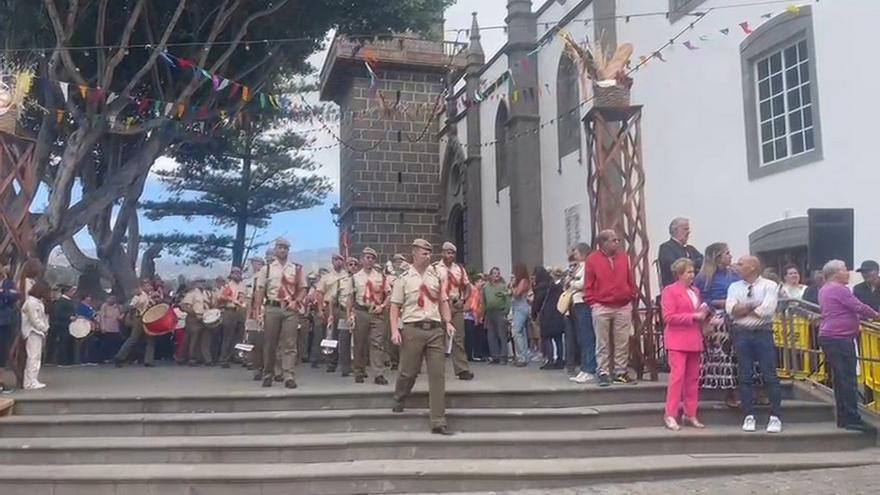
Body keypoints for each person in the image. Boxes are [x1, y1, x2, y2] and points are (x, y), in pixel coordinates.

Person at [389, 239, 456, 436]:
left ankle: (438, 420)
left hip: (435, 329)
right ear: (414, 254)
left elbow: (443, 301)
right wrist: (394, 330)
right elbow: (394, 306)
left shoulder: (436, 276)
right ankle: (400, 395)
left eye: (429, 253)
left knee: (437, 375)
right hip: (412, 328)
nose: (428, 256)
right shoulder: (404, 278)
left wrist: (448, 321)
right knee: (408, 371)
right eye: (424, 253)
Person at [818, 260, 879, 432]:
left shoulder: (825, 289)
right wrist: (876, 315)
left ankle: (844, 417)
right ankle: (852, 418)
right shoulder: (839, 289)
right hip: (839, 338)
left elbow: (842, 311)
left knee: (841, 379)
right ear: (836, 272)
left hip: (831, 337)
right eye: (845, 270)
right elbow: (857, 306)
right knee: (847, 379)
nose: (848, 273)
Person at [726, 255, 783, 433]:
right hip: (741, 333)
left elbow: (766, 311)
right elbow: (731, 311)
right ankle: (748, 415)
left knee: (770, 375)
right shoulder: (734, 287)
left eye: (741, 264)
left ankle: (775, 417)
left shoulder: (769, 285)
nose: (736, 266)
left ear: (752, 267)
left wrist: (744, 308)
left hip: (763, 333)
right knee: (745, 375)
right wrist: (754, 305)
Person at [585, 229, 637, 386]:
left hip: (623, 305)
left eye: (617, 240)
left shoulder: (624, 258)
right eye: (613, 240)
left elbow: (630, 278)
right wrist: (593, 302)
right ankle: (603, 371)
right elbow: (588, 283)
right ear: (603, 243)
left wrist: (631, 294)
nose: (617, 243)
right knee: (602, 341)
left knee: (622, 341)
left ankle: (620, 372)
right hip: (601, 305)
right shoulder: (592, 260)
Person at [661, 258, 708, 431]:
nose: (692, 275)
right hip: (678, 340)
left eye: (693, 271)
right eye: (688, 272)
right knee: (677, 377)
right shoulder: (670, 291)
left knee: (693, 379)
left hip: (694, 339)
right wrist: (692, 317)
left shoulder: (695, 291)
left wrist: (704, 314)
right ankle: (670, 414)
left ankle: (690, 413)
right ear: (679, 274)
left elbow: (697, 312)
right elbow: (668, 317)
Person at [694, 242, 741, 407]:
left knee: (739, 355)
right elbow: (701, 299)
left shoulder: (735, 274)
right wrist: (718, 303)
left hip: (737, 316)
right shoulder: (704, 278)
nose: (731, 256)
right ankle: (729, 392)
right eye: (727, 253)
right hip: (718, 318)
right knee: (725, 356)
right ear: (717, 256)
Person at [254, 238, 305, 388]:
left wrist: (297, 301)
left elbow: (302, 288)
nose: (283, 250)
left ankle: (288, 375)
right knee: (270, 342)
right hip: (272, 307)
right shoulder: (267, 269)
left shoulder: (295, 269)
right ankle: (268, 373)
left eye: (286, 248)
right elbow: (260, 290)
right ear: (276, 250)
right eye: (280, 248)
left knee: (290, 343)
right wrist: (258, 310)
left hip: (290, 309)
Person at [347, 247, 390, 385]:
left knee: (377, 343)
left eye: (372, 258)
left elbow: (389, 294)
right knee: (359, 343)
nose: (369, 260)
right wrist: (349, 315)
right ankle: (359, 371)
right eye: (367, 257)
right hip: (361, 311)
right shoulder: (354, 278)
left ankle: (378, 373)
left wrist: (382, 306)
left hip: (376, 312)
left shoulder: (380, 277)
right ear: (361, 259)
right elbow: (350, 298)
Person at [434, 242, 474, 380]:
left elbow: (468, 287)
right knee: (437, 338)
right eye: (448, 252)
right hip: (439, 306)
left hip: (455, 305)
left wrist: (463, 299)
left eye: (452, 253)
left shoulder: (459, 269)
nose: (450, 255)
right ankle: (437, 369)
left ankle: (462, 369)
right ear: (442, 253)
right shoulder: (435, 268)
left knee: (458, 337)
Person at [316, 254, 352, 376]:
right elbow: (320, 293)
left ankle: (345, 365)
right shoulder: (326, 277)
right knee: (331, 336)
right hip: (330, 308)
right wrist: (320, 309)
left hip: (342, 308)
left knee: (345, 337)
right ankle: (331, 362)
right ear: (332, 261)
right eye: (336, 260)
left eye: (341, 260)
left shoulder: (347, 277)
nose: (338, 262)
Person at [568, 242, 597, 384]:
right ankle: (584, 368)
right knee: (581, 337)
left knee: (587, 337)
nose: (574, 254)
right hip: (577, 303)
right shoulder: (578, 267)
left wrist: (572, 283)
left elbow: (583, 283)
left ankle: (589, 368)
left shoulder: (587, 265)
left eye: (577, 252)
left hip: (584, 302)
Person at [115, 279, 157, 367]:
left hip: (148, 318)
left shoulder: (148, 295)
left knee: (150, 338)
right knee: (134, 338)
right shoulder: (139, 296)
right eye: (147, 285)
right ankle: (120, 356)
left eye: (149, 285)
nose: (149, 287)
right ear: (142, 287)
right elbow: (130, 306)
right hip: (140, 318)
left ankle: (148, 360)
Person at [532, 267, 565, 370]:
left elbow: (537, 303)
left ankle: (550, 360)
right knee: (558, 338)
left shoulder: (540, 288)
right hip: (558, 313)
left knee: (547, 338)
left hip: (546, 315)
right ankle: (560, 360)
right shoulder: (556, 286)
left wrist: (533, 314)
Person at [21, 279, 51, 390]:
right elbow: (35, 319)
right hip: (32, 332)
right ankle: (30, 382)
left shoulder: (35, 302)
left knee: (36, 357)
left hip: (37, 332)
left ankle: (32, 379)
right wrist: (44, 327)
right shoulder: (32, 303)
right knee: (33, 357)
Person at [657, 217, 703, 288]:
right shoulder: (666, 248)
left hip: (694, 288)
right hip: (675, 289)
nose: (688, 232)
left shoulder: (690, 249)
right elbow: (677, 266)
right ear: (675, 230)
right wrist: (695, 263)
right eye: (685, 229)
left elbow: (703, 262)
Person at [216, 267, 247, 368]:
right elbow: (220, 298)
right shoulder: (227, 286)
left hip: (240, 311)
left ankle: (236, 355)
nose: (237, 275)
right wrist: (230, 299)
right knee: (228, 336)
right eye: (235, 273)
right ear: (231, 274)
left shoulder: (243, 286)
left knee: (239, 335)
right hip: (230, 311)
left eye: (239, 273)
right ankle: (224, 358)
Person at [180, 278, 212, 366]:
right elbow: (184, 306)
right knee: (192, 338)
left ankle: (206, 359)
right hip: (193, 318)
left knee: (205, 339)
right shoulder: (192, 293)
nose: (202, 284)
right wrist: (194, 314)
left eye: (203, 282)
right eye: (200, 282)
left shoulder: (207, 294)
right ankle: (190, 358)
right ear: (196, 283)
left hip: (205, 318)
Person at [481, 267, 510, 364]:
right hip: (489, 312)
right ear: (490, 275)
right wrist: (483, 314)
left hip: (500, 312)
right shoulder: (486, 287)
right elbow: (483, 301)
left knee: (502, 335)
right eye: (494, 273)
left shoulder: (503, 286)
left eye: (498, 273)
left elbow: (507, 299)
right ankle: (495, 356)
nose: (496, 275)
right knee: (491, 335)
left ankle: (503, 357)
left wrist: (506, 312)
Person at [509, 264, 531, 367]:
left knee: (516, 331)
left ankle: (522, 357)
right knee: (521, 332)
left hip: (521, 307)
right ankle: (522, 356)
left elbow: (517, 293)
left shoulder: (523, 281)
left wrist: (512, 285)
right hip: (516, 307)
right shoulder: (520, 281)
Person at [50, 285, 77, 366]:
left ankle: (69, 361)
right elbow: (58, 313)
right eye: (71, 291)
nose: (73, 293)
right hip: (63, 325)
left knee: (69, 342)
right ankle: (62, 361)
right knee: (63, 342)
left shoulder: (70, 301)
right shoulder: (61, 301)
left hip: (70, 325)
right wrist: (69, 317)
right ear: (66, 292)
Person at [0, 263, 18, 371]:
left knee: (2, 350)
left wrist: (3, 293)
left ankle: (1, 380)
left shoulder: (9, 284)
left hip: (4, 322)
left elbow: (14, 297)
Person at [95, 295, 124, 362]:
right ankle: (103, 358)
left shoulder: (118, 307)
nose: (111, 300)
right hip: (107, 328)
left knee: (115, 343)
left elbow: (122, 314)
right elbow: (102, 317)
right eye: (110, 298)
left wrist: (121, 317)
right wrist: (103, 327)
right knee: (106, 344)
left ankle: (113, 357)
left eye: (113, 298)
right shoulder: (104, 306)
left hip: (116, 328)